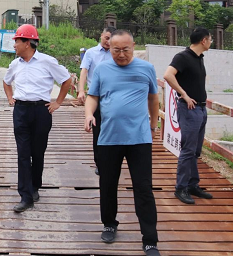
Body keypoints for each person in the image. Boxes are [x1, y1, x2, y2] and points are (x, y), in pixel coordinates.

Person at [84, 30, 160, 256]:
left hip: (139, 139)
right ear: (110, 48)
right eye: (116, 50)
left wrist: (154, 126)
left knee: (143, 188)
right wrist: (89, 114)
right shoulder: (103, 69)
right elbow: (93, 96)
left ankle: (150, 239)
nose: (121, 54)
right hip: (108, 138)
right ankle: (109, 223)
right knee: (108, 185)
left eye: (125, 49)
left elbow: (153, 98)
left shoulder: (146, 68)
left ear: (133, 47)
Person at [3, 24, 72, 213]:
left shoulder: (47, 61)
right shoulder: (15, 64)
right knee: (23, 154)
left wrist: (58, 102)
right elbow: (6, 81)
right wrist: (10, 98)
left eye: (17, 41)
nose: (14, 45)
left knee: (37, 153)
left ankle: (35, 187)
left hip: (41, 111)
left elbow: (66, 80)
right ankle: (25, 196)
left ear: (27, 42)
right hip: (21, 111)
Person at [163, 27, 214, 204]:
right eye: (210, 39)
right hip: (189, 109)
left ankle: (192, 184)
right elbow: (168, 75)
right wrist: (183, 94)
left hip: (200, 109)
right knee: (188, 149)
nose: (211, 42)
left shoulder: (199, 58)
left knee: (196, 150)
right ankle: (181, 187)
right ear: (203, 41)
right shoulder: (182, 57)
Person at [77, 26, 116, 175]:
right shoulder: (91, 53)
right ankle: (100, 163)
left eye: (111, 39)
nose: (108, 41)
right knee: (98, 130)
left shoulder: (116, 53)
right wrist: (81, 90)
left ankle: (112, 160)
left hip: (113, 97)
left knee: (113, 130)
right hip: (96, 97)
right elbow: (84, 71)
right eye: (106, 38)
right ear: (101, 36)